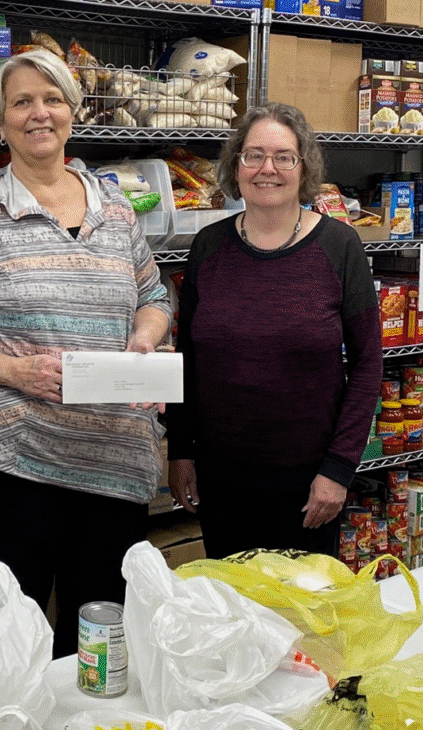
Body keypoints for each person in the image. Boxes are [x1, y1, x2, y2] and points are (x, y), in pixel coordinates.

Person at [0, 49, 171, 657]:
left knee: (100, 632)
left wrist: (146, 335)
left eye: (53, 99)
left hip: (114, 458)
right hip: (12, 459)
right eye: (21, 102)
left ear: (73, 115)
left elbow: (155, 294)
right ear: (0, 124)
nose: (39, 114)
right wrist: (14, 372)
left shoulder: (114, 209)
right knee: (14, 633)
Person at [167, 102, 383, 560]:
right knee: (232, 614)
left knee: (299, 621)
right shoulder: (208, 245)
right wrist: (180, 451)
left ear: (303, 168)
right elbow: (186, 356)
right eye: (253, 155)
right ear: (235, 165)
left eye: (284, 157)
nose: (268, 169)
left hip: (308, 484)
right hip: (220, 478)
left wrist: (339, 468)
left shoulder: (339, 245)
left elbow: (367, 365)